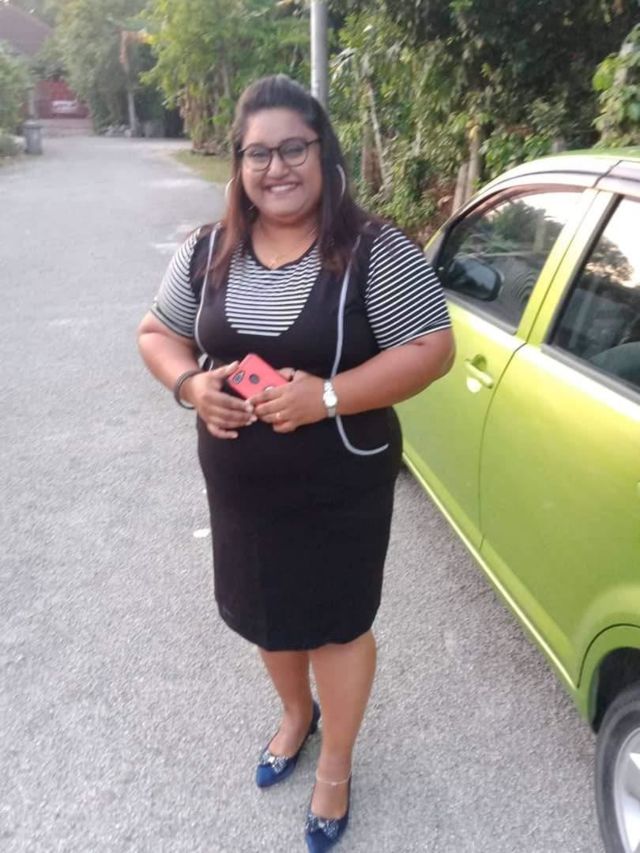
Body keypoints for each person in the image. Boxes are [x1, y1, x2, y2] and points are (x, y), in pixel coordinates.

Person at [137, 74, 454, 852]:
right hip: (241, 490)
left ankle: (335, 764)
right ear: (239, 164)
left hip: (341, 487)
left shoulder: (376, 250)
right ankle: (295, 714)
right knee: (266, 615)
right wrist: (190, 384)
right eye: (258, 153)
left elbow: (432, 347)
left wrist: (330, 396)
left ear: (323, 153)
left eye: (293, 149)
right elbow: (157, 332)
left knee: (337, 627)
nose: (275, 167)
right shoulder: (207, 250)